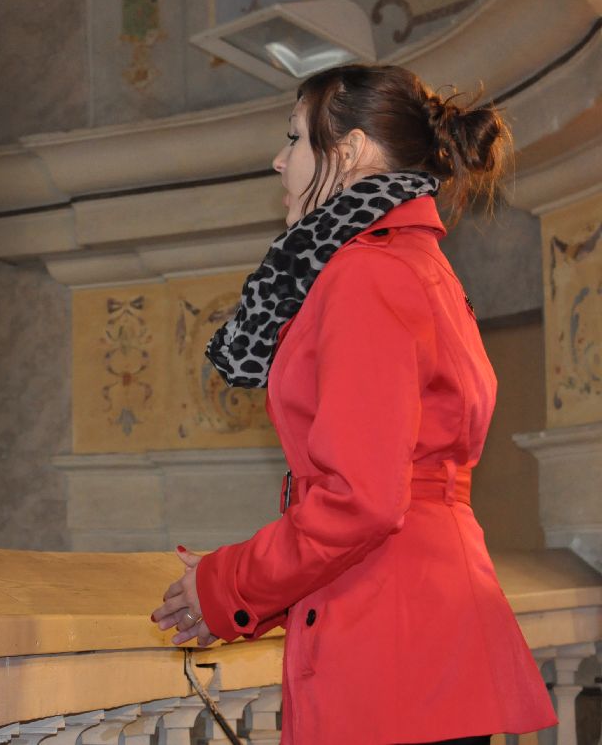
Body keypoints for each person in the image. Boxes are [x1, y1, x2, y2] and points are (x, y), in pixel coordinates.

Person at [150, 64, 557, 744]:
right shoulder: (414, 264)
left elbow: (360, 499)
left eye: (295, 139)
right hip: (417, 637)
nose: (278, 160)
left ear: (353, 150)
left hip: (392, 657)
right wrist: (246, 591)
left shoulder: (367, 273)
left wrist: (229, 584)